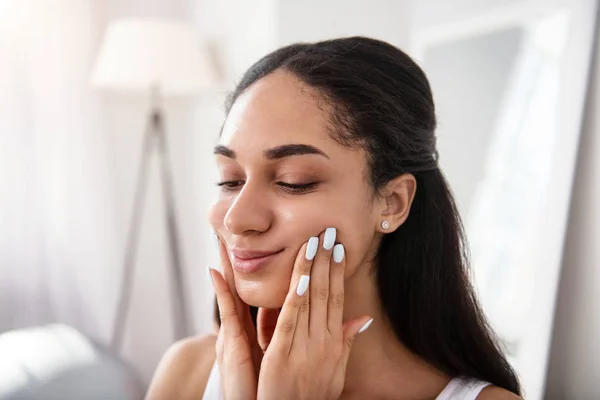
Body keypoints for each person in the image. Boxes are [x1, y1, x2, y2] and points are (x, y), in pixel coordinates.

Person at [145, 36, 522, 399]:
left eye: (293, 182)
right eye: (230, 180)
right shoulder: (187, 374)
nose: (237, 219)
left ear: (391, 202)